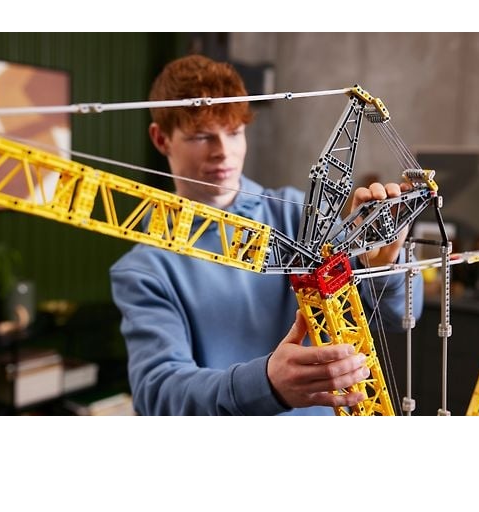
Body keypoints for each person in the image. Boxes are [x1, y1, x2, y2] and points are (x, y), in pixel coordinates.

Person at [110, 54, 424, 416]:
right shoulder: (145, 269)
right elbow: (159, 394)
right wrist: (264, 384)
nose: (222, 152)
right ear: (161, 139)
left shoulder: (298, 215)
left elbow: (401, 315)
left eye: (234, 132)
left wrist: (384, 266)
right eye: (201, 136)